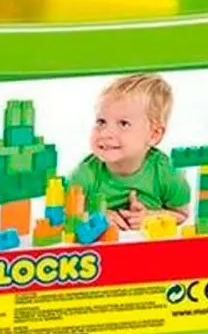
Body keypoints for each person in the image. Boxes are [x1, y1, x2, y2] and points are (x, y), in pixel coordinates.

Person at [71, 73, 190, 231]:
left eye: (123, 124)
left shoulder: (166, 174)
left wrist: (152, 217)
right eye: (101, 122)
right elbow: (64, 215)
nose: (106, 133)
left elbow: (182, 214)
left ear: (153, 135)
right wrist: (95, 216)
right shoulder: (85, 174)